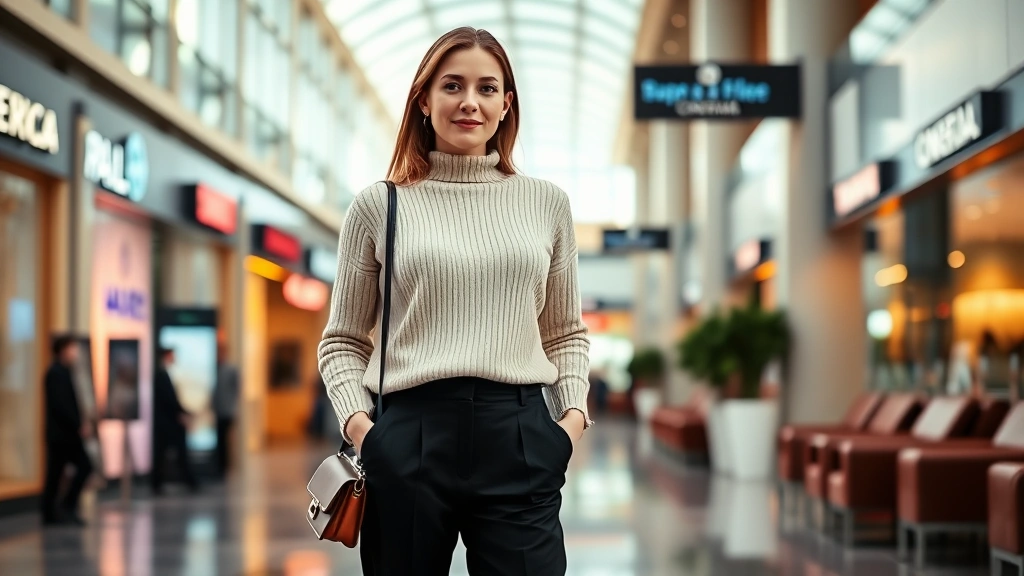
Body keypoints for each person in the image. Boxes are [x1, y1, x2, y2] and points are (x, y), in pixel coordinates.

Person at [318, 27, 591, 576]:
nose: (470, 101)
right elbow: (343, 341)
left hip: (519, 435)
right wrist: (363, 431)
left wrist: (570, 424)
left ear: (505, 104)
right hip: (409, 437)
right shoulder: (379, 206)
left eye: (487, 88)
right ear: (424, 99)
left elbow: (565, 333)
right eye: (452, 85)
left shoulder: (546, 204)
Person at [41, 335, 93, 526]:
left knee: (58, 473)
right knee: (68, 470)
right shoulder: (55, 373)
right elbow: (61, 405)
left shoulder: (63, 372)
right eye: (73, 348)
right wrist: (78, 424)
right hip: (62, 435)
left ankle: (58, 510)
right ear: (63, 349)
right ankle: (60, 509)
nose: (76, 352)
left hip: (66, 434)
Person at [150, 347, 198, 494]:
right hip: (166, 423)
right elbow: (169, 400)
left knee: (164, 453)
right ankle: (185, 481)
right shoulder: (161, 374)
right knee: (167, 452)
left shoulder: (163, 373)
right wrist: (181, 413)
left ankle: (186, 481)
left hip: (166, 422)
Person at [212, 343, 239, 479]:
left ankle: (225, 466)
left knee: (225, 440)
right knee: (219, 440)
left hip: (227, 411)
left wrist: (233, 407)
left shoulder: (231, 369)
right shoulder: (215, 368)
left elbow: (236, 389)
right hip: (218, 409)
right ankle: (219, 465)